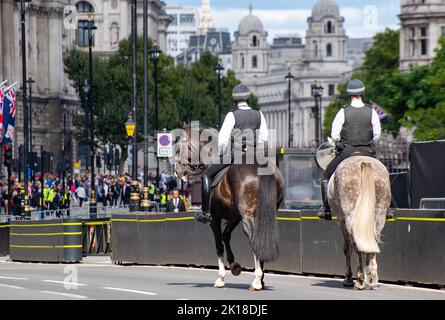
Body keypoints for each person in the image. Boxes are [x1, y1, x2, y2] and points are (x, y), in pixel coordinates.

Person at [194, 83, 268, 223]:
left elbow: (222, 140)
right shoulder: (259, 114)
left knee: (206, 175)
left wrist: (223, 153)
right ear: (248, 99)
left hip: (235, 154)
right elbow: (263, 138)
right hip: (254, 156)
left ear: (235, 100)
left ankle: (205, 213)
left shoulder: (232, 115)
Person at [319, 79, 381, 220]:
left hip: (347, 152)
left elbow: (334, 135)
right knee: (384, 174)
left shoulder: (343, 111)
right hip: (368, 152)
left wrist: (341, 142)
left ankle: (326, 209)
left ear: (349, 95)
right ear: (362, 93)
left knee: (325, 177)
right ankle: (387, 208)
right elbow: (377, 135)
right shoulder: (372, 111)